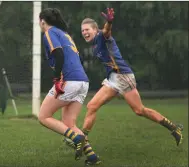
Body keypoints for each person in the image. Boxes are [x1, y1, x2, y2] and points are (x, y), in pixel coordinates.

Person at [80, 8, 183, 146]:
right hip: (113, 79)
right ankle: (82, 140)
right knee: (92, 106)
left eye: (87, 30)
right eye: (83, 31)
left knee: (139, 110)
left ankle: (173, 128)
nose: (85, 33)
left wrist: (109, 22)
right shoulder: (94, 45)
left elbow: (106, 31)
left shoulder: (101, 36)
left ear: (95, 29)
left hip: (122, 76)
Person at [38, 8, 101, 166]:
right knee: (69, 124)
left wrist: (57, 78)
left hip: (69, 81)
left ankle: (76, 138)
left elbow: (58, 54)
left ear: (43, 21)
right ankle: (92, 156)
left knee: (44, 116)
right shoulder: (65, 35)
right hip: (82, 82)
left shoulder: (49, 32)